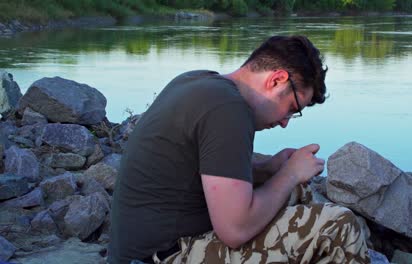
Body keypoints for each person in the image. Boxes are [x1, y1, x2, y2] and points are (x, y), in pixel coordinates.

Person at [109, 35, 370, 264]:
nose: (284, 123)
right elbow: (234, 231)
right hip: (163, 256)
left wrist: (267, 170)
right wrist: (289, 173)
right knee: (339, 226)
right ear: (277, 79)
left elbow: (197, 172)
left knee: (293, 191)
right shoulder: (228, 110)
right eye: (292, 108)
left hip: (146, 249)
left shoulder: (199, 82)